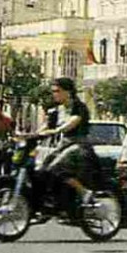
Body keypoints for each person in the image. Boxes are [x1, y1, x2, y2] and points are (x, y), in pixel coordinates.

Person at [33, 77, 99, 208]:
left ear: (68, 92)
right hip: (64, 145)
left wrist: (58, 130)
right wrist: (32, 135)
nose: (54, 94)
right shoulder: (56, 110)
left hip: (79, 146)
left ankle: (84, 192)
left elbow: (74, 120)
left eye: (57, 91)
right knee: (42, 169)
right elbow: (45, 126)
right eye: (53, 91)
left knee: (56, 167)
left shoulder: (79, 107)